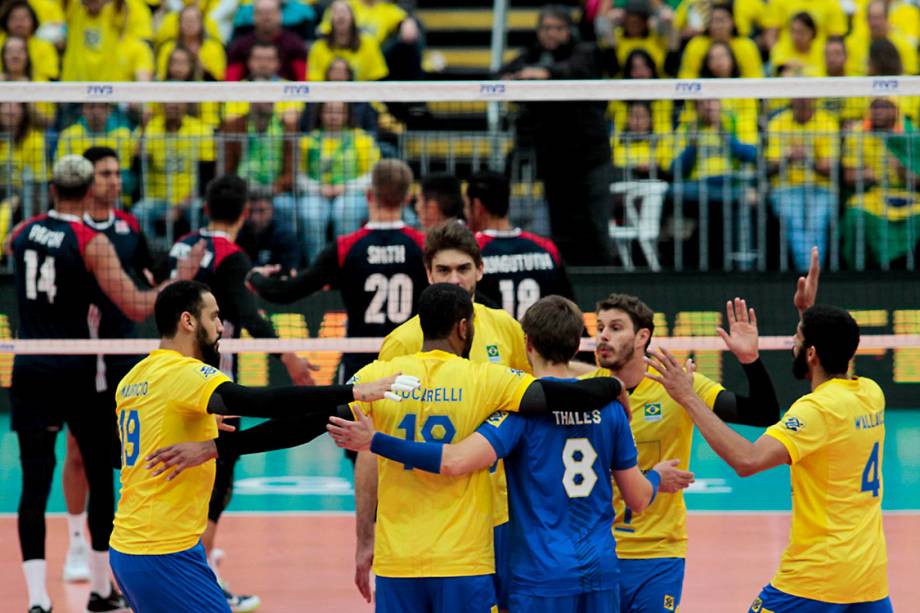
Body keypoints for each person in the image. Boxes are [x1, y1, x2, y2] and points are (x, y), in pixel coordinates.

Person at [329, 295, 695, 612]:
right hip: (599, 570)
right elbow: (638, 497)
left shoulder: (519, 412)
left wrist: (375, 441)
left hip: (540, 574)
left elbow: (454, 461)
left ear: (527, 344)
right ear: (576, 345)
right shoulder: (612, 408)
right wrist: (658, 476)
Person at [108, 279, 415, 613]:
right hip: (161, 552)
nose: (222, 327)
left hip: (132, 546)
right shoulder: (185, 374)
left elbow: (116, 454)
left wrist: (188, 432)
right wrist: (354, 392)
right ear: (188, 321)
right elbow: (265, 402)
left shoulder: (134, 378)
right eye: (214, 317)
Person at [10, 155, 201, 613]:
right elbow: (137, 306)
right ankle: (99, 588)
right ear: (88, 190)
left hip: (31, 368)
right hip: (81, 369)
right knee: (100, 475)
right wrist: (183, 281)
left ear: (53, 189)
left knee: (34, 485)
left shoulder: (20, 233)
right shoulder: (90, 242)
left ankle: (38, 598)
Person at [646, 293, 891, 612]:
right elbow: (830, 375)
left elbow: (747, 460)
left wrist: (689, 398)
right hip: (868, 578)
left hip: (815, 578)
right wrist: (808, 312)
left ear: (812, 353)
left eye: (798, 338)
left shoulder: (816, 411)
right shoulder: (871, 393)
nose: (793, 343)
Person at [356, 221, 530, 606]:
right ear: (427, 273)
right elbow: (370, 442)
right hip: (413, 524)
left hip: (495, 511)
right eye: (444, 271)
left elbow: (529, 414)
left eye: (463, 269)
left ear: (480, 271)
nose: (454, 279)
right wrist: (365, 537)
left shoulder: (504, 328)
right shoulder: (401, 342)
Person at [167, 174, 315, 610]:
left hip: (168, 373)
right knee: (217, 474)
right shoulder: (232, 255)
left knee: (182, 472)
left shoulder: (185, 244)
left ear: (206, 206)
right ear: (245, 213)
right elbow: (249, 314)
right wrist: (287, 356)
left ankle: (187, 558)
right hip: (209, 384)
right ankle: (205, 576)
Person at [584, 290, 781, 613]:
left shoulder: (678, 384)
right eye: (600, 327)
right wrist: (652, 479)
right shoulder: (586, 391)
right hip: (598, 549)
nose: (603, 336)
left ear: (642, 336)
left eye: (616, 328)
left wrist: (750, 360)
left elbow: (762, 413)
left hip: (658, 553)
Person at [60, 146, 154, 584]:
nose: (115, 181)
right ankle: (77, 543)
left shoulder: (130, 228)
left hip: (122, 353)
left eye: (118, 173)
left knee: (127, 450)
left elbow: (149, 279)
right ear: (85, 180)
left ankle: (128, 540)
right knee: (79, 450)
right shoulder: (65, 230)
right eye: (105, 174)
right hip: (78, 353)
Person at [249, 159, 426, 386]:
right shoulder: (422, 245)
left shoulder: (346, 247)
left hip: (361, 365)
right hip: (411, 363)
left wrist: (254, 277)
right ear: (407, 198)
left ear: (369, 195)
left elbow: (284, 292)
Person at [500, 5, 614, 265]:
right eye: (546, 28)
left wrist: (546, 74)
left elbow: (575, 71)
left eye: (557, 28)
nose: (551, 34)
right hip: (554, 157)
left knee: (595, 226)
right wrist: (519, 76)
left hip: (591, 157)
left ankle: (602, 278)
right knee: (561, 226)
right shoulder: (532, 55)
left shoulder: (585, 52)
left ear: (568, 30)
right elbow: (499, 75)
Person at [464, 170, 573, 320]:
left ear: (477, 206)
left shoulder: (468, 250)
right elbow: (569, 310)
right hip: (540, 341)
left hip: (493, 342)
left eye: (465, 206)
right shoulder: (546, 249)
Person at [766, 98, 839, 272]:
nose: (803, 103)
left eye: (807, 100)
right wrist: (788, 157)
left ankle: (813, 274)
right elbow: (771, 165)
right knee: (794, 220)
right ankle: (806, 273)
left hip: (822, 189)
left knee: (817, 221)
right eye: (799, 99)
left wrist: (809, 158)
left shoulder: (827, 121)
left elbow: (830, 167)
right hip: (786, 188)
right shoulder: (778, 122)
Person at [225, 0, 307, 81]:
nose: (266, 17)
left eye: (270, 12)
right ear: (253, 16)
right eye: (261, 13)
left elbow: (304, 80)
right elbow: (230, 82)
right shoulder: (240, 46)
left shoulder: (295, 44)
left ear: (280, 15)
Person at [307, 0, 388, 82]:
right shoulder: (318, 48)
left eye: (344, 12)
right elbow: (314, 84)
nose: (340, 16)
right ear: (329, 20)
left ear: (353, 17)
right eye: (336, 12)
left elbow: (377, 79)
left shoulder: (369, 44)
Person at [235, 184, 301, 274]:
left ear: (272, 210)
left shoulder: (284, 234)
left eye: (261, 211)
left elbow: (290, 270)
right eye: (251, 211)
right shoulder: (240, 231)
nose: (255, 218)